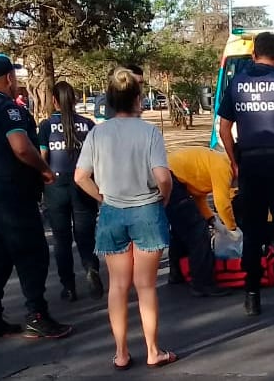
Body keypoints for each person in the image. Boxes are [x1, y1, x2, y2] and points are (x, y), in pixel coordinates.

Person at [74, 67, 175, 369]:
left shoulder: (97, 132)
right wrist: (164, 195)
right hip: (146, 209)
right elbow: (163, 177)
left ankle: (120, 352)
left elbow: (80, 176)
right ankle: (153, 350)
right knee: (145, 285)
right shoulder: (149, 132)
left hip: (112, 212)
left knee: (118, 285)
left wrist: (101, 197)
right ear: (137, 99)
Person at [0, 54, 72, 340]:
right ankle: (37, 314)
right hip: (11, 191)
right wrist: (45, 170)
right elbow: (21, 147)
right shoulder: (7, 109)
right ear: (10, 78)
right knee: (31, 252)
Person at [218, 31, 274, 318]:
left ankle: (252, 297)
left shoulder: (236, 83)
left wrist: (235, 162)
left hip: (250, 167)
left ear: (254, 54)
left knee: (253, 230)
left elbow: (224, 129)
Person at [38, 81, 102, 302]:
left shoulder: (46, 126)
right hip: (83, 183)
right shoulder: (88, 124)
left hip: (55, 185)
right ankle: (91, 268)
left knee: (61, 239)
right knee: (85, 234)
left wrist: (41, 183)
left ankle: (68, 287)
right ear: (74, 99)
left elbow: (43, 157)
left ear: (54, 100)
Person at [164, 146, 233, 297]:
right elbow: (222, 203)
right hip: (169, 178)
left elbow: (198, 197)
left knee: (182, 227)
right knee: (198, 231)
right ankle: (203, 283)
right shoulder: (224, 167)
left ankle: (177, 273)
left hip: (168, 175)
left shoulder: (215, 162)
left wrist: (212, 220)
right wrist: (232, 228)